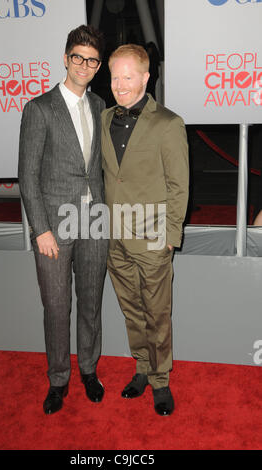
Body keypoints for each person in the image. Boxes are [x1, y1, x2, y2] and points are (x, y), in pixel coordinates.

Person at [18, 25, 108, 415]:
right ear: (65, 57)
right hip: (55, 226)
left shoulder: (101, 106)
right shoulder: (39, 108)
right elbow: (28, 175)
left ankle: (88, 369)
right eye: (77, 57)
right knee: (57, 308)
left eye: (91, 60)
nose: (84, 65)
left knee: (90, 303)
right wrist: (41, 229)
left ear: (98, 65)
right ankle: (58, 379)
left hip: (95, 222)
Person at [101, 44, 189, 416]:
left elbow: (179, 186)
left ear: (145, 77)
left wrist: (171, 236)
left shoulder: (168, 123)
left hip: (153, 237)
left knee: (157, 312)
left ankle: (161, 380)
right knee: (132, 309)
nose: (120, 84)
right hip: (113, 237)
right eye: (115, 76)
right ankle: (141, 367)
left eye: (127, 76)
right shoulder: (104, 118)